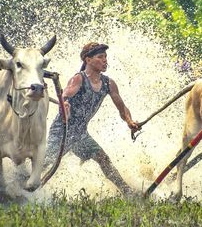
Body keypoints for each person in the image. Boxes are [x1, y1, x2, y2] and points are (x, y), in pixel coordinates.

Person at [44, 42, 139, 196]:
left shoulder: (108, 83)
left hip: (80, 134)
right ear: (87, 60)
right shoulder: (78, 79)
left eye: (105, 57)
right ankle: (19, 182)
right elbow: (65, 96)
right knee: (45, 163)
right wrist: (65, 105)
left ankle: (127, 192)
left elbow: (122, 107)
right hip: (62, 131)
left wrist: (129, 121)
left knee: (103, 159)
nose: (105, 60)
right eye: (100, 57)